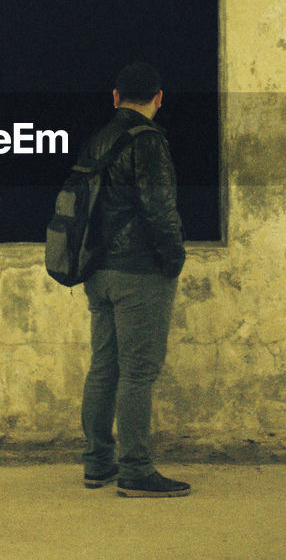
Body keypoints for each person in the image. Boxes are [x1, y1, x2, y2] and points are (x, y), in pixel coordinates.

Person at [78, 62, 189, 498]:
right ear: (159, 98)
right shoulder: (148, 142)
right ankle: (136, 470)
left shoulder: (100, 139)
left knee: (104, 367)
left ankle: (97, 463)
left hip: (97, 271)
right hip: (139, 273)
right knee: (138, 373)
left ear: (115, 96)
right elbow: (160, 208)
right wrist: (174, 259)